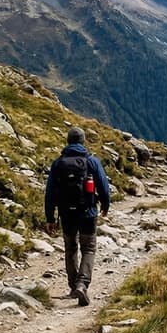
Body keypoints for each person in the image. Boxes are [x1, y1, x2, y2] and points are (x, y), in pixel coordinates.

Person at [44, 126, 111, 306]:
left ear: (68, 141)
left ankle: (74, 287)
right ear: (83, 141)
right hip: (88, 212)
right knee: (88, 248)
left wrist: (50, 217)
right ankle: (83, 284)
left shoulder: (58, 163)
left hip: (66, 213)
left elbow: (50, 192)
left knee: (70, 247)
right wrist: (105, 204)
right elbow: (103, 185)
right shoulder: (91, 161)